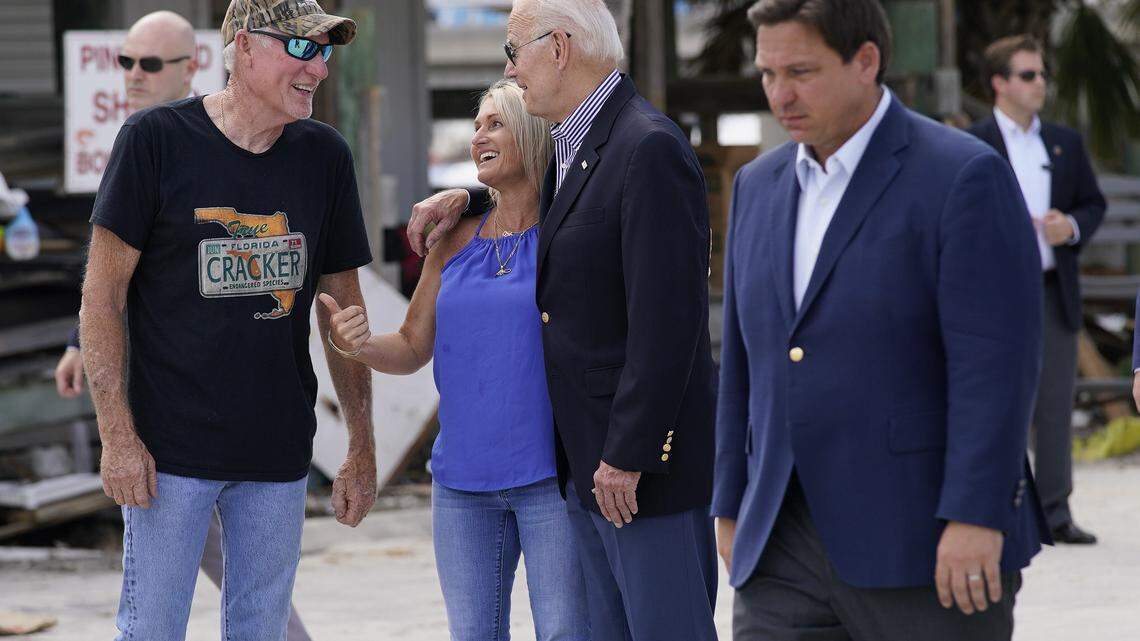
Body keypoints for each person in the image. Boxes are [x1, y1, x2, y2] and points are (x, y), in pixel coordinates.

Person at [713, 1, 1051, 639]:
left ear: (865, 60)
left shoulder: (962, 176)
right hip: (780, 544)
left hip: (923, 542)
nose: (779, 94)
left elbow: (996, 365)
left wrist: (977, 514)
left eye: (801, 72)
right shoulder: (757, 186)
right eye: (767, 74)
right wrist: (730, 501)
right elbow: (744, 359)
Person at [406, 2, 719, 638]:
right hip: (587, 469)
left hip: (638, 474)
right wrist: (465, 197)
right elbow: (542, 204)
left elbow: (668, 321)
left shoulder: (646, 146)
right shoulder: (577, 149)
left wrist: (628, 455)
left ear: (560, 47)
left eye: (514, 50)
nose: (510, 68)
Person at [80, 1, 376, 639]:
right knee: (152, 628)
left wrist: (361, 441)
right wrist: (117, 435)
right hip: (169, 453)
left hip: (277, 450)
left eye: (325, 53)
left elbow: (342, 309)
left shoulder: (324, 156)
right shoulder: (154, 141)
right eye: (301, 49)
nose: (319, 69)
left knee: (260, 630)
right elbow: (102, 296)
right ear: (242, 47)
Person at [321, 79, 588, 641]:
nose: (478, 137)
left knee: (566, 633)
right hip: (461, 485)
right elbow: (413, 347)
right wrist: (358, 343)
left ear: (535, 132)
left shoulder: (570, 229)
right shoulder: (453, 240)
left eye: (495, 123)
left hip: (551, 479)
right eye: (476, 126)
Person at [968, 34, 1106, 546]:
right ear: (999, 83)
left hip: (1052, 288)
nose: (1040, 84)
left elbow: (1092, 204)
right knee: (994, 401)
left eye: (1042, 74)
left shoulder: (1065, 143)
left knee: (1055, 404)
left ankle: (1056, 511)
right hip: (992, 296)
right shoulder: (974, 141)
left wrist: (1067, 226)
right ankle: (995, 509)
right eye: (1028, 75)